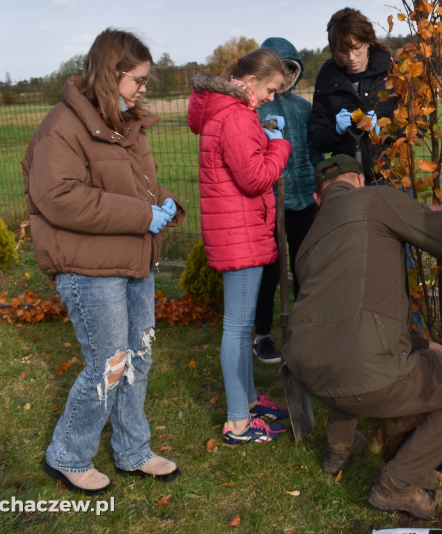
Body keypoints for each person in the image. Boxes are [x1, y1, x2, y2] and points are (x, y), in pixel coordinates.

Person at [283, 154, 442, 519]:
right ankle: (400, 482)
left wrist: (425, 345)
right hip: (363, 373)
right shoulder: (376, 199)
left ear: (319, 198)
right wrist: (440, 215)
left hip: (308, 369)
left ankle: (339, 449)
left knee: (344, 345)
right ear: (361, 182)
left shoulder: (308, 239)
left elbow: (350, 314)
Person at [23, 28, 184, 494]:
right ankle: (68, 456)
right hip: (88, 269)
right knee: (109, 365)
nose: (143, 89)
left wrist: (166, 202)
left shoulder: (126, 125)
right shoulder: (62, 126)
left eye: (145, 81)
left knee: (139, 359)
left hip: (134, 260)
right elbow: (60, 197)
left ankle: (133, 450)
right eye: (138, 79)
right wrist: (142, 215)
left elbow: (139, 188)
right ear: (111, 74)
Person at [186, 49, 293, 445]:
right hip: (240, 235)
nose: (270, 97)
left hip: (238, 230)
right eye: (269, 89)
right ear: (249, 82)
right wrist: (279, 146)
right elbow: (254, 178)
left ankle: (248, 403)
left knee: (243, 325)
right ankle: (238, 423)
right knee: (236, 328)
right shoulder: (234, 115)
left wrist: (262, 139)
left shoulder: (228, 110)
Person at [251, 37, 323, 364]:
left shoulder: (302, 108)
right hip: (269, 203)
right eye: (280, 70)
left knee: (305, 266)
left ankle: (307, 329)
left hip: (304, 199)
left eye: (291, 70)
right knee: (268, 270)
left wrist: (318, 186)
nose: (286, 77)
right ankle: (262, 335)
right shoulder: (255, 109)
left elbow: (314, 151)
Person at [307, 7, 395, 183]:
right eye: (343, 52)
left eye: (357, 49)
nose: (351, 57)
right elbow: (317, 140)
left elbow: (417, 127)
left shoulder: (392, 72)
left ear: (368, 41)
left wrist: (384, 131)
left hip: (390, 176)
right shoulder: (327, 79)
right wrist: (335, 130)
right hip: (346, 178)